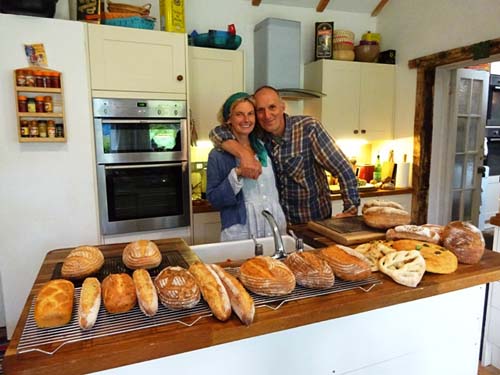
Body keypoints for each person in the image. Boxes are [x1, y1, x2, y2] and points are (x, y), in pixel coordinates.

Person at [209, 85, 360, 224]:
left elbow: (344, 169)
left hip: (314, 222)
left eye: (272, 107)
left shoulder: (308, 128)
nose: (267, 115)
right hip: (282, 225)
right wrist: (243, 153)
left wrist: (351, 209)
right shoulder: (260, 137)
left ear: (282, 107)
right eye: (260, 110)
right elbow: (217, 132)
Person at [206, 92, 287, 241]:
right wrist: (238, 173)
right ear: (229, 119)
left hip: (274, 227)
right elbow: (214, 200)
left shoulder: (265, 147)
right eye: (239, 114)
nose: (246, 120)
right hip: (240, 232)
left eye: (250, 114)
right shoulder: (218, 155)